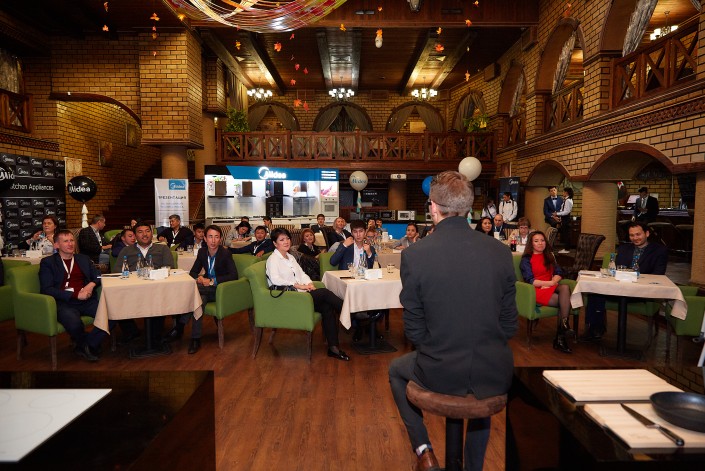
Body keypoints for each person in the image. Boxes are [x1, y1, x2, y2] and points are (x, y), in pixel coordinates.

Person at [389, 171, 517, 471]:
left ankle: (424, 451)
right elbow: (509, 325)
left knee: (396, 370)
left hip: (441, 368)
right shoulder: (501, 252)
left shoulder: (415, 254)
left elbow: (414, 331)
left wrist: (442, 348)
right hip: (494, 369)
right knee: (480, 382)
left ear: (433, 207)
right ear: (469, 208)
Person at [266, 227, 349, 361]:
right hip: (289, 298)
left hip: (301, 296)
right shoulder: (273, 259)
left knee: (327, 307)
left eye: (287, 238)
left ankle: (333, 348)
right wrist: (297, 285)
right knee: (324, 293)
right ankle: (351, 311)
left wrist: (309, 283)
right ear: (275, 243)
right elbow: (275, 280)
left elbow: (302, 273)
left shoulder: (290, 257)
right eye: (281, 240)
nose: (286, 241)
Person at [581, 221, 668, 341]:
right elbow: (617, 270)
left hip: (642, 292)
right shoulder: (624, 249)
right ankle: (595, 329)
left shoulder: (659, 251)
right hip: (620, 288)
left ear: (647, 233)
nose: (635, 238)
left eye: (638, 234)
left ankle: (597, 330)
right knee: (594, 293)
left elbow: (658, 274)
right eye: (632, 235)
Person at [39, 229, 110, 362]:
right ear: (56, 245)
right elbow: (47, 289)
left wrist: (91, 285)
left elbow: (98, 275)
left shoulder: (83, 259)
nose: (70, 244)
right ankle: (86, 345)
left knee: (111, 315)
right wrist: (76, 295)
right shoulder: (48, 263)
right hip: (64, 302)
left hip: (87, 300)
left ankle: (87, 344)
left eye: (72, 240)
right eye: (65, 241)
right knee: (74, 324)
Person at [166, 225, 238, 354]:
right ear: (205, 238)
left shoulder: (225, 253)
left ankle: (180, 326)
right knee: (199, 300)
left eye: (216, 237)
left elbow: (233, 275)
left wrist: (211, 281)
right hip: (204, 290)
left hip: (220, 290)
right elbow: (193, 272)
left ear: (220, 239)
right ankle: (195, 338)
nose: (213, 240)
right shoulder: (202, 252)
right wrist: (199, 278)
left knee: (194, 291)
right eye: (210, 237)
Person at [117, 222, 175, 343]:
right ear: (135, 235)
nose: (145, 234)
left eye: (147, 231)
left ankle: (155, 336)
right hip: (132, 290)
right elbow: (117, 271)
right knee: (116, 300)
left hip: (157, 289)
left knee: (161, 298)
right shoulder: (126, 251)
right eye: (140, 232)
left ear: (152, 233)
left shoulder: (162, 248)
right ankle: (132, 332)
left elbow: (169, 268)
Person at [520, 231, 573, 354]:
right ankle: (561, 337)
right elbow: (530, 280)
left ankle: (563, 328)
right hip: (536, 290)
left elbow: (559, 272)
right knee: (564, 302)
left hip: (550, 286)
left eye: (542, 240)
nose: (540, 243)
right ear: (531, 244)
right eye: (536, 241)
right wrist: (549, 283)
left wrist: (552, 282)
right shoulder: (526, 259)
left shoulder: (549, 256)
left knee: (565, 288)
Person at [556, 188, 574, 253]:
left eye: (563, 192)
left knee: (566, 235)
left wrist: (557, 214)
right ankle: (566, 248)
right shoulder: (566, 200)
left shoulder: (568, 200)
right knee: (565, 234)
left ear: (566, 192)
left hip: (566, 219)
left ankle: (567, 249)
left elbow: (566, 212)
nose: (562, 193)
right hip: (564, 219)